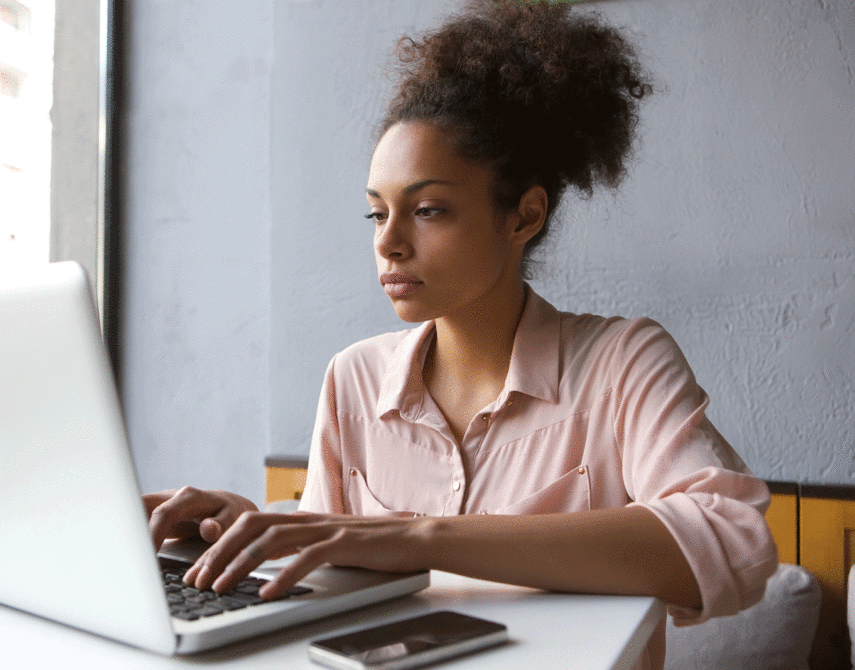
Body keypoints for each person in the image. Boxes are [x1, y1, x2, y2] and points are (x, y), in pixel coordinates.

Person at [144, 3, 777, 668]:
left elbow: (733, 542)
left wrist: (424, 538)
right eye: (376, 211)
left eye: (427, 210)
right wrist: (244, 527)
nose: (388, 242)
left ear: (525, 215)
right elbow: (328, 573)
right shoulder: (353, 379)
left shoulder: (622, 362)